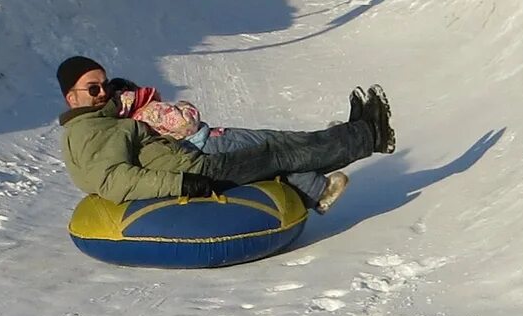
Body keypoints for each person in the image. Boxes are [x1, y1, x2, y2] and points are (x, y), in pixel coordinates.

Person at [56, 54, 392, 212]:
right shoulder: (90, 132)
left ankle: (355, 134)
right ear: (72, 97)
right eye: (94, 88)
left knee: (277, 146)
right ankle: (369, 137)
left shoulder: (103, 121)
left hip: (194, 162)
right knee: (278, 150)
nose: (103, 93)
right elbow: (114, 181)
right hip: (199, 168)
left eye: (104, 85)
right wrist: (180, 183)